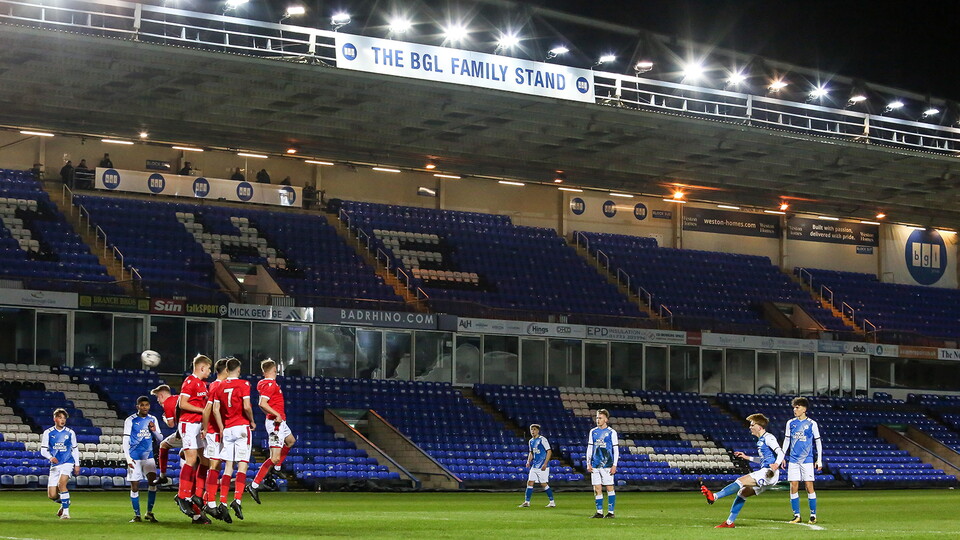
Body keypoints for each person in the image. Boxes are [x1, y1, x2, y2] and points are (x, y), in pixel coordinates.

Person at [700, 413, 785, 528]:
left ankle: (714, 496)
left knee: (740, 481)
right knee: (742, 493)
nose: (750, 427)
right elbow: (763, 459)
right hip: (768, 473)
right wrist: (747, 457)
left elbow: (780, 452)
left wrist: (776, 464)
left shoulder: (768, 437)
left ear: (759, 427)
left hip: (768, 472)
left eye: (752, 425)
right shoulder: (761, 440)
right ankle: (729, 523)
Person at [213, 357, 256, 521]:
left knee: (228, 468)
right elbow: (246, 406)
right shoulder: (244, 384)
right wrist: (251, 420)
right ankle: (237, 500)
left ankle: (222, 501)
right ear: (238, 369)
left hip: (228, 428)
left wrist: (221, 427)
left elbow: (216, 410)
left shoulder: (219, 386)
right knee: (242, 466)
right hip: (241, 427)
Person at [248, 359, 296, 504]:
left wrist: (274, 415)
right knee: (274, 457)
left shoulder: (267, 384)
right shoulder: (269, 384)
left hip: (280, 422)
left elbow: (263, 405)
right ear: (274, 369)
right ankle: (254, 485)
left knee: (291, 441)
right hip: (276, 424)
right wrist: (276, 414)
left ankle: (277, 467)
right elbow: (262, 403)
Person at [175, 354, 213, 523]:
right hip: (188, 424)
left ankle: (197, 498)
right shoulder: (190, 381)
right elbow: (182, 403)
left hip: (198, 426)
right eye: (208, 368)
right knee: (191, 459)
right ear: (202, 367)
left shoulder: (203, 385)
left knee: (205, 461)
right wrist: (201, 411)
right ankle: (182, 495)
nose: (210, 371)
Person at [200, 358, 232, 522]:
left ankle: (207, 498)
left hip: (217, 431)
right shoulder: (217, 386)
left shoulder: (218, 386)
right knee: (214, 465)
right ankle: (210, 502)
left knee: (217, 465)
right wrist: (205, 429)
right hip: (213, 431)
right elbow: (207, 410)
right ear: (226, 371)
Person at [782, 397, 823, 524]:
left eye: (797, 407)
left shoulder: (812, 424)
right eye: (794, 407)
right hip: (793, 460)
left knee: (808, 486)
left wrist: (819, 459)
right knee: (793, 486)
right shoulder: (790, 423)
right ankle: (797, 515)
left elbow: (818, 442)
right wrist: (782, 456)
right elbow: (787, 440)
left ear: (804, 409)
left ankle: (813, 514)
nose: (795, 409)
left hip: (807, 460)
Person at [122, 396, 163, 523]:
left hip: (148, 457)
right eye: (142, 405)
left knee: (153, 482)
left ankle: (149, 513)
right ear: (137, 406)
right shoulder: (131, 420)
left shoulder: (153, 419)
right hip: (134, 457)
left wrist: (154, 431)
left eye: (146, 405)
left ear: (149, 406)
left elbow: (160, 439)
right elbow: (125, 440)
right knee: (135, 486)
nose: (144, 407)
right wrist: (128, 458)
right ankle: (137, 515)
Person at [40, 408, 79, 520]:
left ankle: (66, 513)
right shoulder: (48, 432)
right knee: (52, 495)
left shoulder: (70, 433)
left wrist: (77, 464)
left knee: (61, 484)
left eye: (64, 418)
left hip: (67, 462)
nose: (62, 420)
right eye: (60, 418)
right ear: (55, 419)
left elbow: (75, 449)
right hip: (55, 465)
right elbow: (43, 450)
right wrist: (50, 457)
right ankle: (65, 502)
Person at [586, 409, 618, 518]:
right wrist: (588, 463)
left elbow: (616, 450)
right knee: (597, 488)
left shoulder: (611, 432)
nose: (598, 420)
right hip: (595, 464)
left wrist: (614, 465)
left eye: (600, 418)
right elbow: (590, 447)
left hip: (607, 464)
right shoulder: (593, 432)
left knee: (609, 487)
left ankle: (611, 512)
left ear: (606, 419)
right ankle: (599, 512)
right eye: (597, 418)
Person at [149, 384, 181, 486]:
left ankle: (163, 476)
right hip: (196, 428)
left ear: (162, 395)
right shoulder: (178, 397)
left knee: (163, 445)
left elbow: (171, 424)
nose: (158, 400)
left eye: (158, 397)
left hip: (185, 432)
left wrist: (164, 418)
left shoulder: (167, 403)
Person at [518, 424, 555, 508]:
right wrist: (528, 461)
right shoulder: (531, 441)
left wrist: (545, 463)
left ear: (538, 431)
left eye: (534, 429)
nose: (532, 431)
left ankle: (552, 501)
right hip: (534, 465)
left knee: (543, 483)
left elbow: (549, 451)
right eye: (531, 430)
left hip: (542, 466)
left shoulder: (542, 439)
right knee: (530, 482)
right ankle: (527, 502)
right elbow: (531, 452)